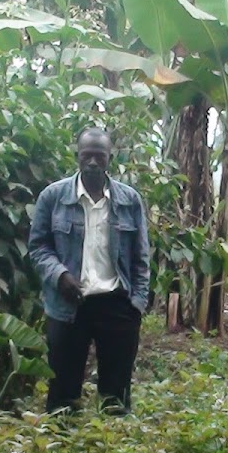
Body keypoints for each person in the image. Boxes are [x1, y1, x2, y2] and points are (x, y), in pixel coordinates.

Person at [28, 127, 150, 415]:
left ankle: (113, 450)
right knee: (62, 393)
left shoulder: (129, 200)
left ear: (110, 157)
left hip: (117, 304)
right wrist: (60, 276)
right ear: (77, 156)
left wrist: (137, 305)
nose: (93, 163)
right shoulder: (53, 197)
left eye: (99, 156)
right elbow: (38, 247)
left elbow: (141, 257)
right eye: (87, 156)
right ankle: (61, 449)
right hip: (68, 305)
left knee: (116, 396)